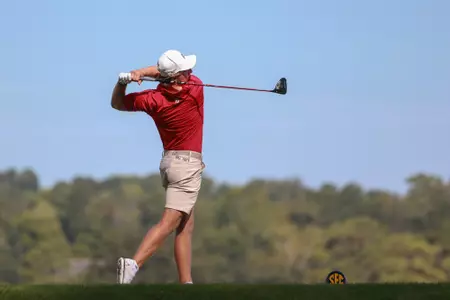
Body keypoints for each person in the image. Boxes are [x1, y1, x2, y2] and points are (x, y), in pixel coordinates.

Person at [111, 49, 206, 284]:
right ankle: (133, 264)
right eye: (185, 70)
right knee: (170, 221)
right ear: (177, 77)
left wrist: (125, 81)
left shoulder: (153, 99)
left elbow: (117, 104)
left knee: (186, 224)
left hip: (169, 163)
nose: (190, 72)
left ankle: (186, 283)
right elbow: (164, 76)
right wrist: (143, 73)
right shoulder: (196, 89)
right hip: (187, 166)